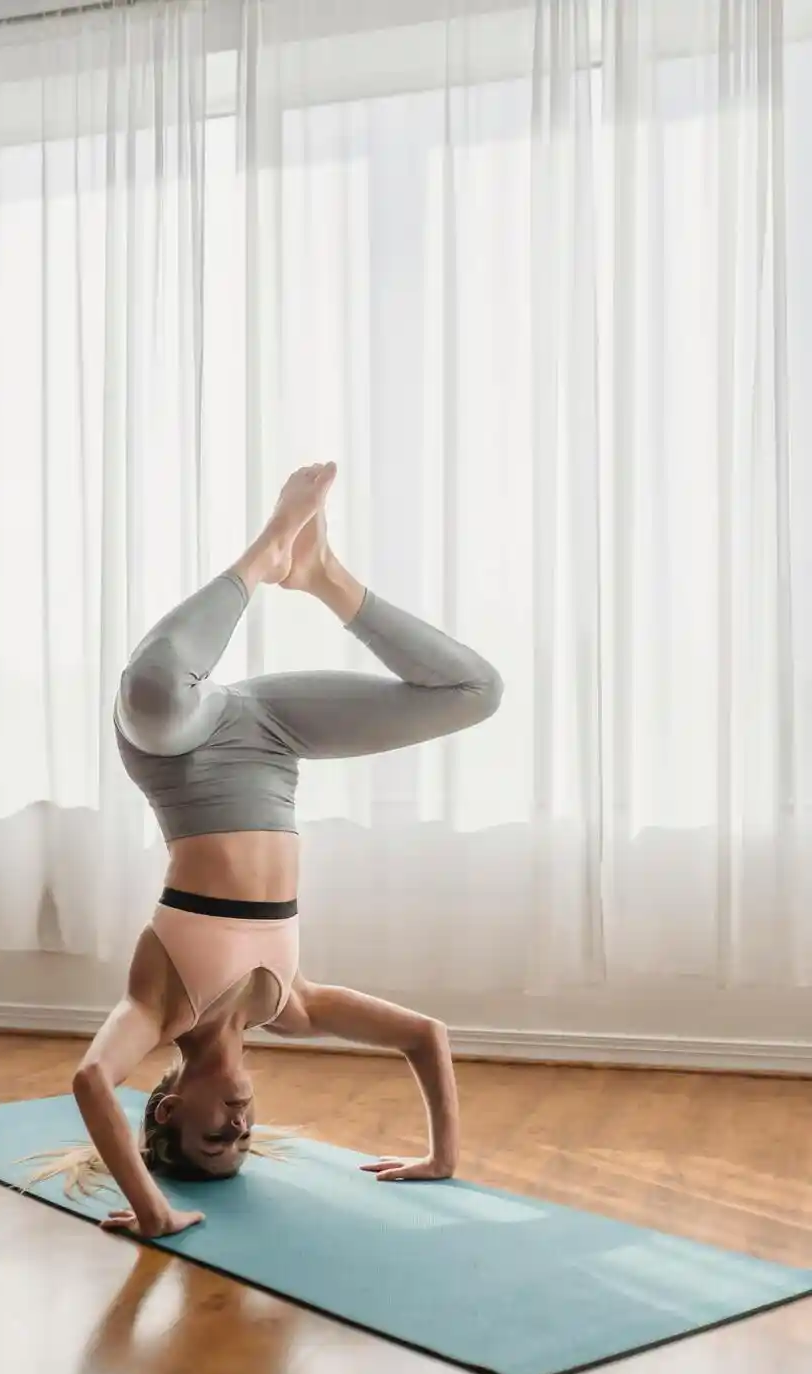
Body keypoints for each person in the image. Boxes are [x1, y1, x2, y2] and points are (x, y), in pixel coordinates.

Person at [64, 462, 502, 1240]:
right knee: (474, 693)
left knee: (154, 689)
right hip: (272, 734)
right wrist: (442, 1158)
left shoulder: (158, 1008)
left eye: (213, 1137)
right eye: (246, 1138)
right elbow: (424, 1035)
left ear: (167, 1107)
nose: (238, 1125)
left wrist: (155, 1211)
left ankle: (263, 557)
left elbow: (93, 1080)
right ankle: (323, 575)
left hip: (178, 750)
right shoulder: (288, 1005)